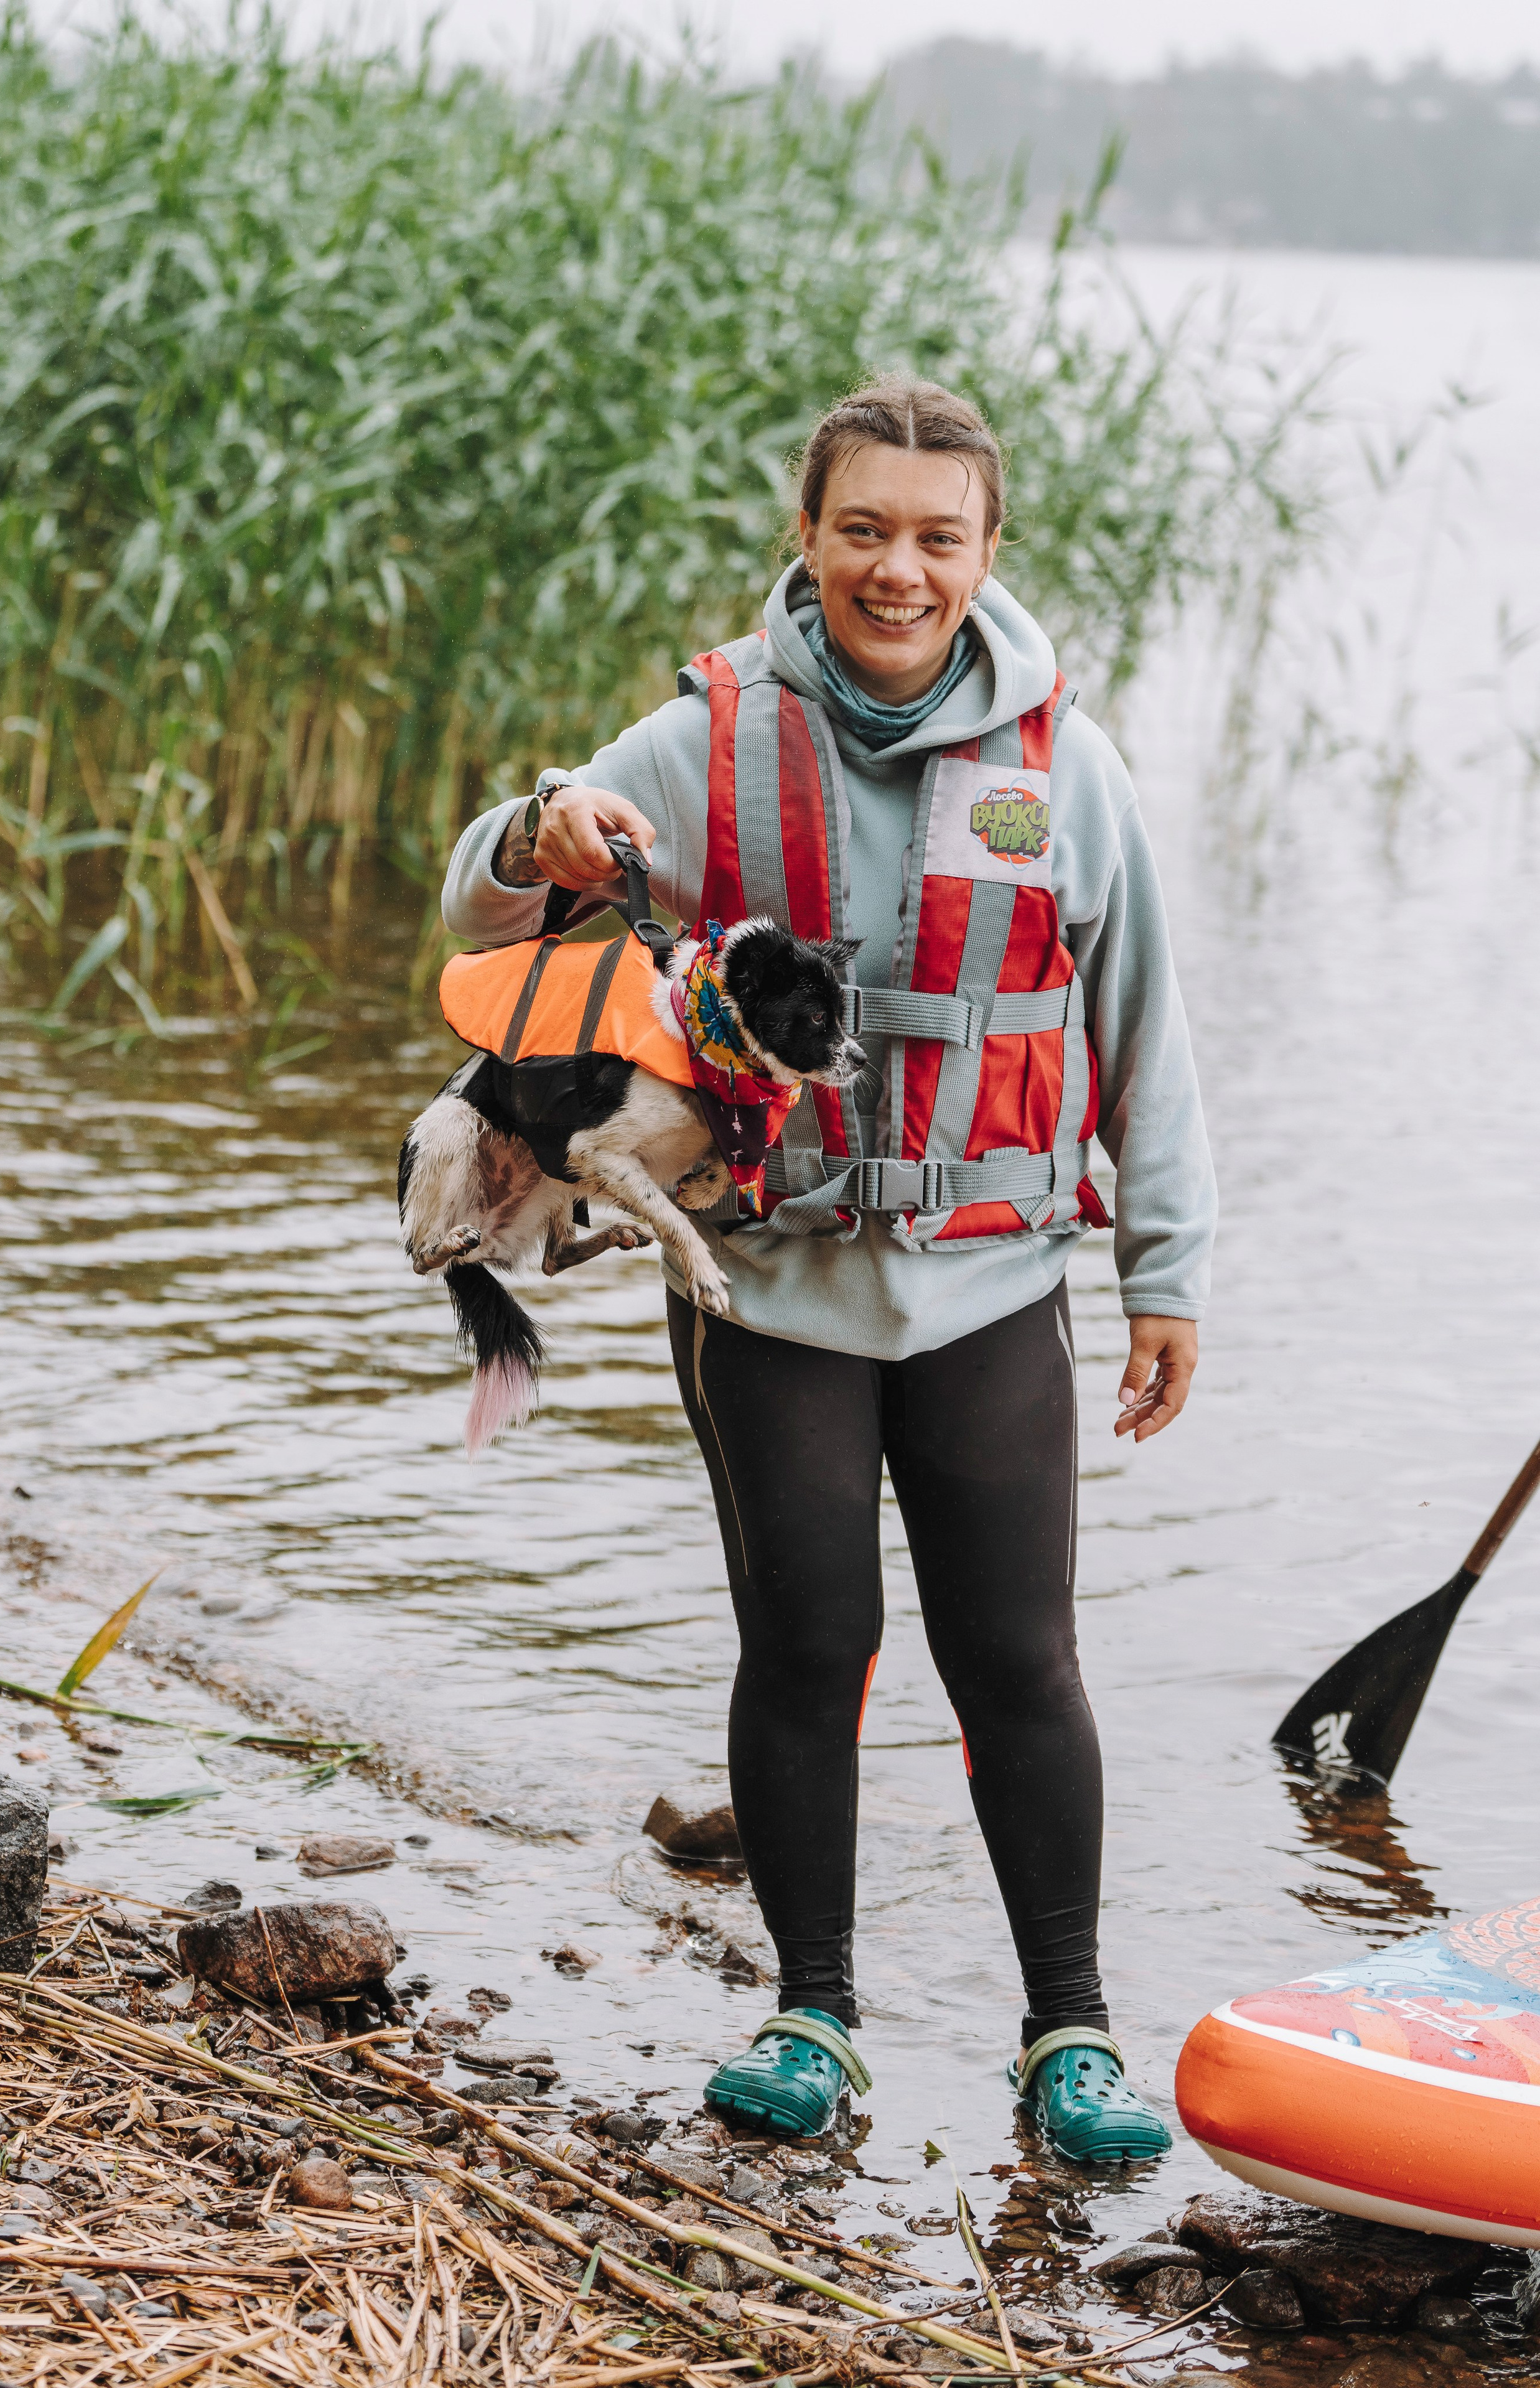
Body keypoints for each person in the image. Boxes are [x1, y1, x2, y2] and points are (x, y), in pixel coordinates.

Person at [441, 376, 1215, 2165]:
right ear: (808, 535)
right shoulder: (703, 742)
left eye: (938, 536)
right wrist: (532, 826)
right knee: (810, 1646)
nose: (898, 568)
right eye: (862, 528)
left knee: (1020, 1661)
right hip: (769, 1283)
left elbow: (1148, 1032)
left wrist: (1167, 1276)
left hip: (992, 1283)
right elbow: (483, 907)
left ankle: (1069, 2034)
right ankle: (815, 2016)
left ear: (986, 552)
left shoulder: (1064, 768)